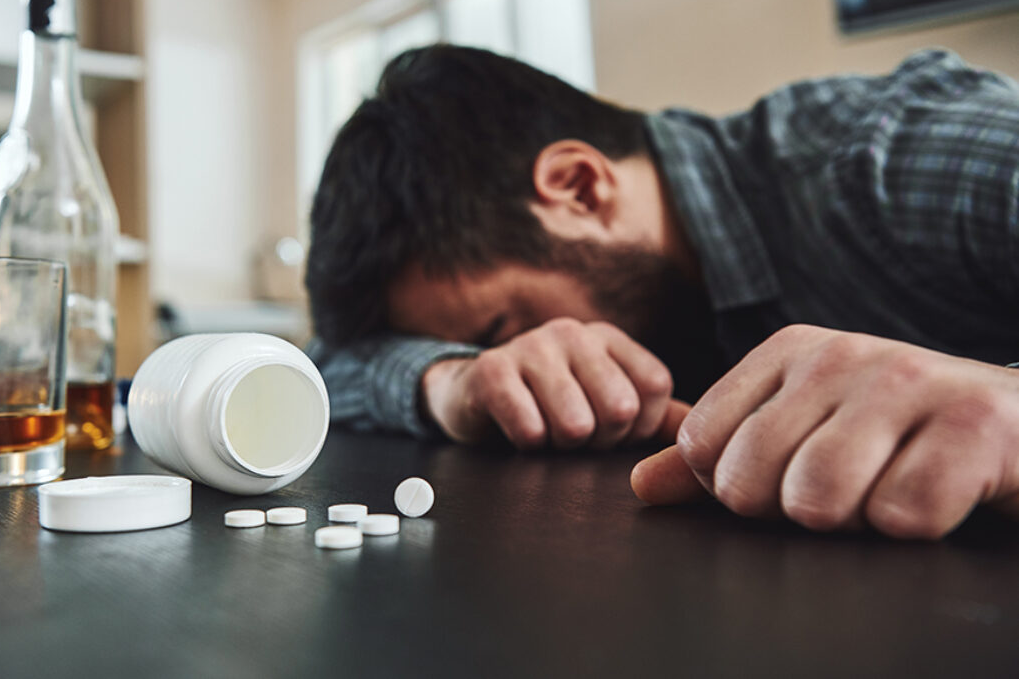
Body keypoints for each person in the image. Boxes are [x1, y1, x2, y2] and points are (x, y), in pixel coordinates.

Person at [304, 44, 1019, 540]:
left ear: (579, 186)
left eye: (501, 327)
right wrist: (448, 377)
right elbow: (325, 364)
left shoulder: (900, 155)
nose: (520, 357)